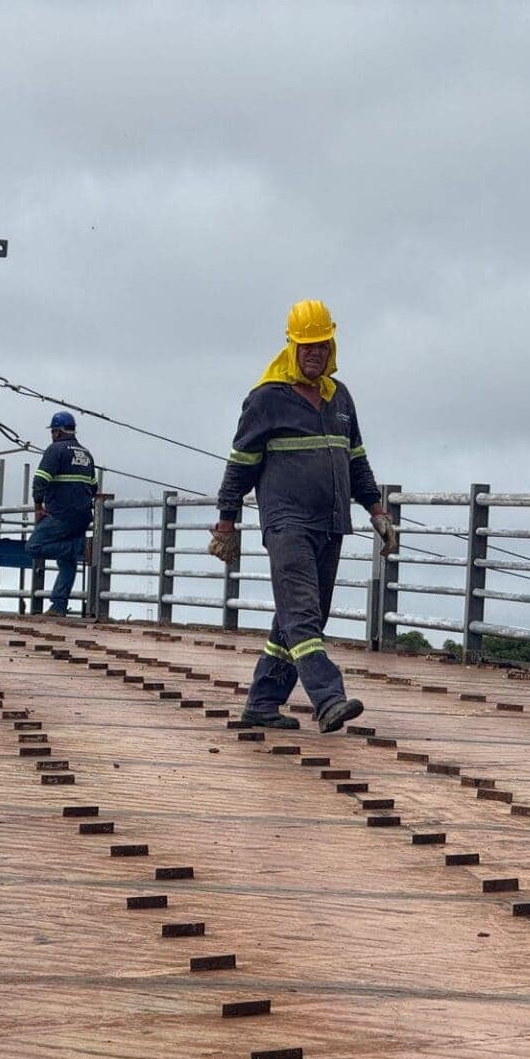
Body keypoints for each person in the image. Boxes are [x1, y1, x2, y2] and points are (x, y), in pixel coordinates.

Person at [210, 299, 398, 733]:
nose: (315, 353)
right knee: (302, 615)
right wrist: (226, 520)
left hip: (332, 524)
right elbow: (240, 463)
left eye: (322, 345)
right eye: (306, 345)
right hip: (286, 523)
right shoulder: (266, 400)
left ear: (332, 346)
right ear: (291, 347)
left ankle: (262, 703)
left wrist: (376, 509)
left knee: (301, 618)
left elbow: (357, 460)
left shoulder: (340, 397)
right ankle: (328, 698)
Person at [25, 411, 99, 616]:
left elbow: (40, 479)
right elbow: (94, 487)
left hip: (61, 514)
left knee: (33, 547)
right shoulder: (86, 454)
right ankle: (58, 606)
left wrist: (38, 507)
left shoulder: (55, 450)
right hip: (83, 516)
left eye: (53, 431)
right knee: (67, 563)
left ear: (57, 432)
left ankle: (80, 547)